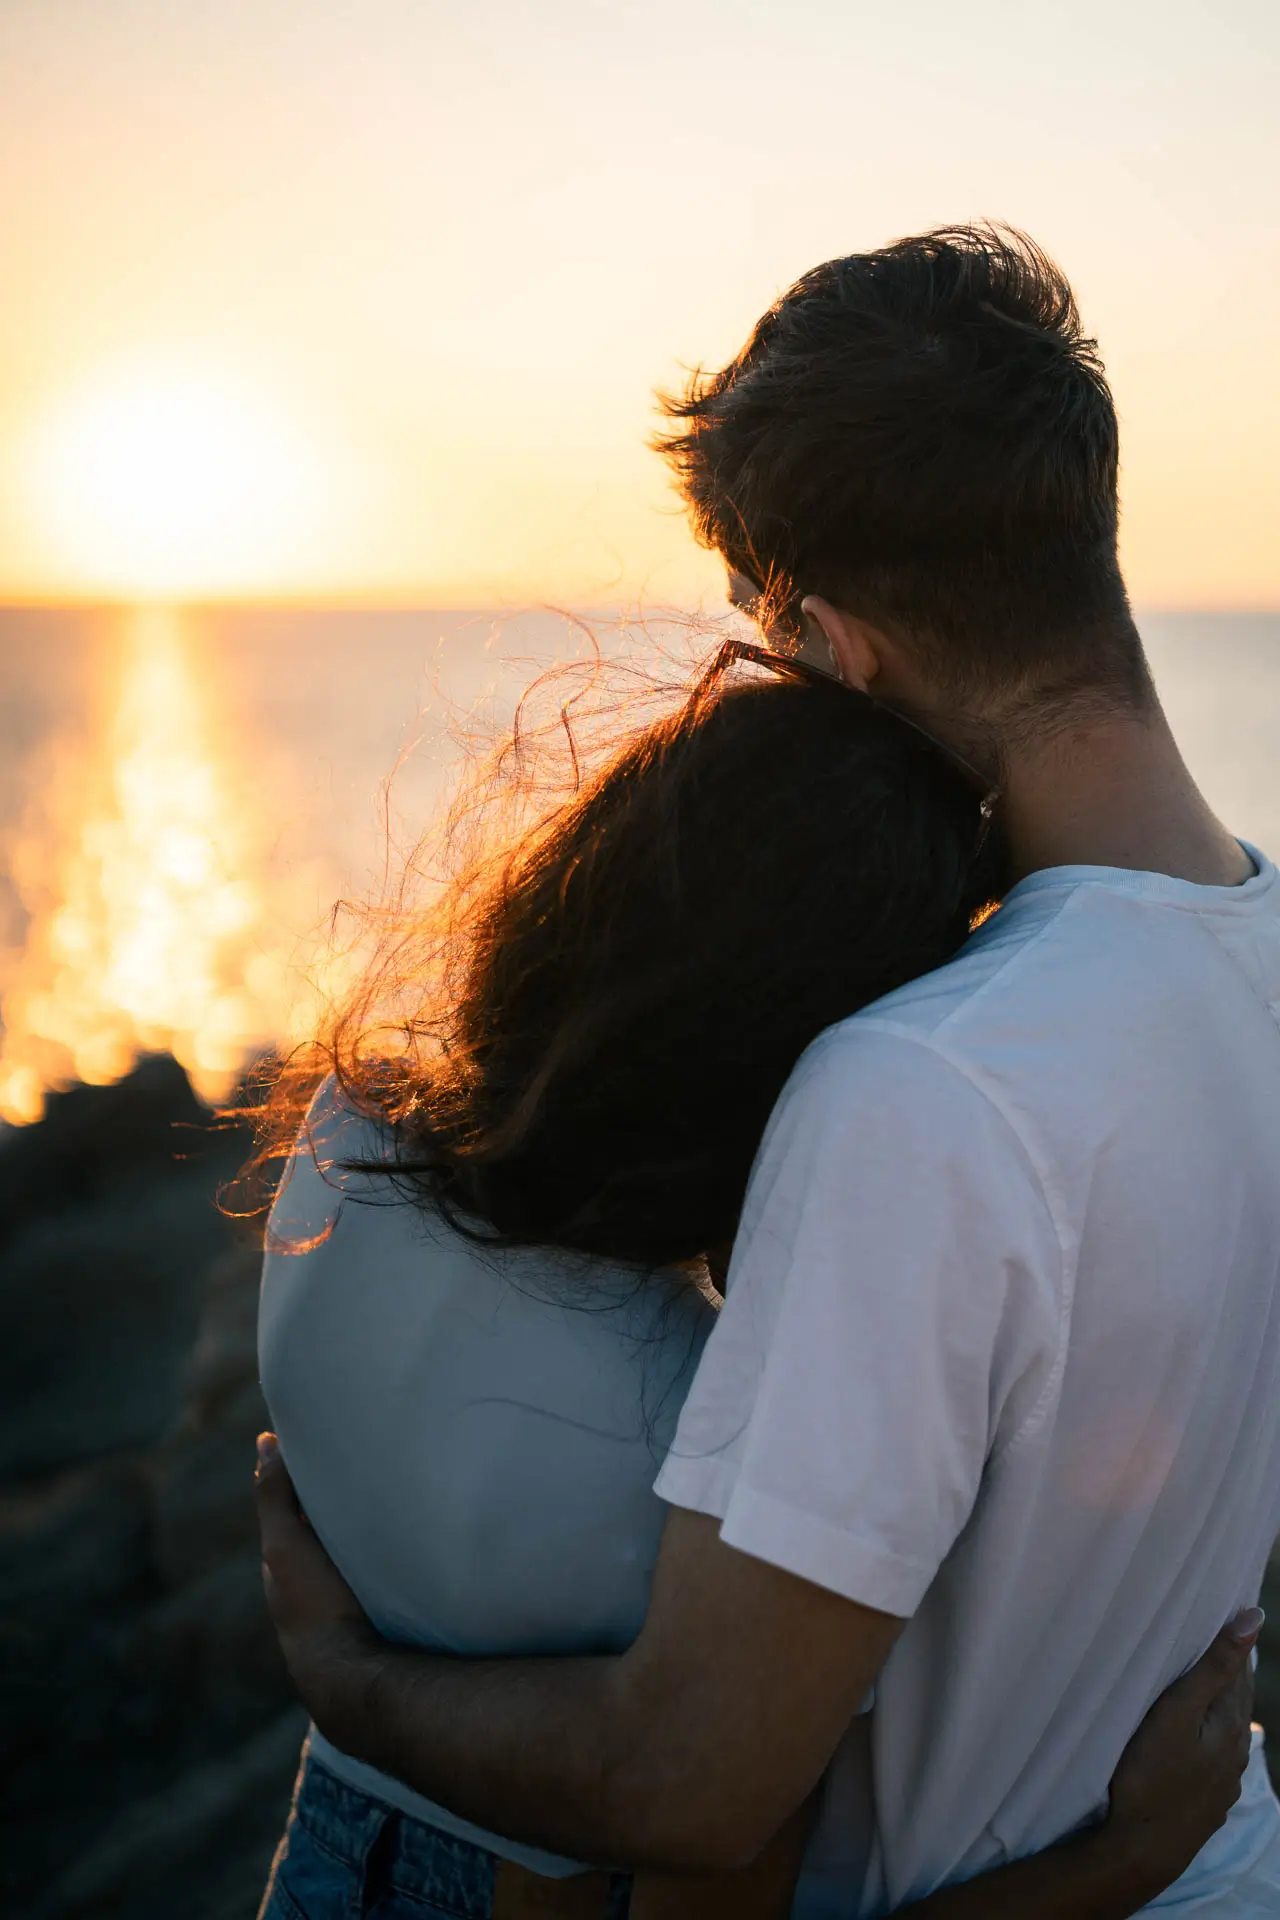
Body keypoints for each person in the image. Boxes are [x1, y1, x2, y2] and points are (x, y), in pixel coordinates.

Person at [257, 225, 1280, 1916]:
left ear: (827, 631)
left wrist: (341, 1679)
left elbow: (691, 1782)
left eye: (759, 618)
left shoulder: (927, 1090)